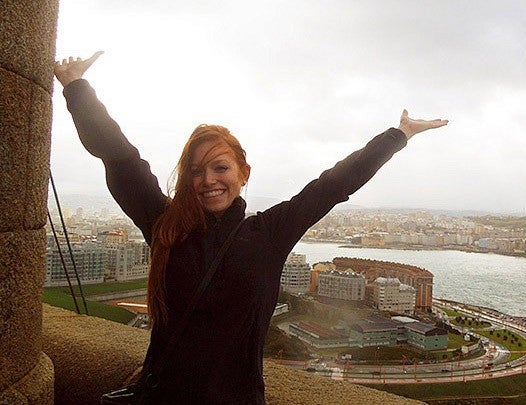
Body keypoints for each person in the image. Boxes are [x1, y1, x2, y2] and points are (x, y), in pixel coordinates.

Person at [54, 51, 448, 404]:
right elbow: (121, 157)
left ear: (243, 174)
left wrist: (399, 135)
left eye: (220, 167)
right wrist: (77, 88)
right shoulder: (165, 224)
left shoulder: (269, 232)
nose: (207, 180)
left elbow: (334, 185)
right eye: (195, 171)